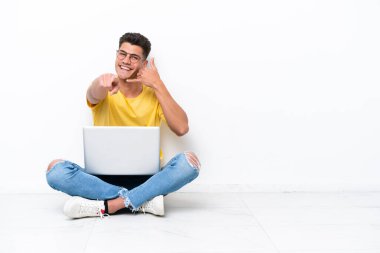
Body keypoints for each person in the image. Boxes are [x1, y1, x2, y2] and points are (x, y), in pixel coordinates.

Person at [46, 32, 201, 218]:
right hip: (101, 180)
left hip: (148, 179)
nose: (126, 61)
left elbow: (182, 128)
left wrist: (158, 84)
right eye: (122, 54)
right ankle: (141, 201)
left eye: (134, 57)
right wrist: (100, 82)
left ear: (144, 64)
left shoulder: (154, 95)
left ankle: (110, 205)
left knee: (189, 163)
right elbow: (93, 94)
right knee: (55, 170)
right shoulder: (105, 87)